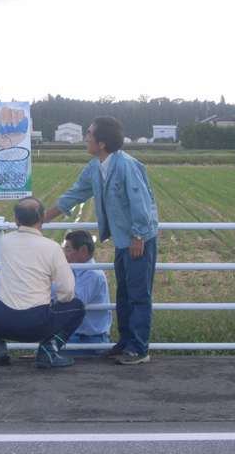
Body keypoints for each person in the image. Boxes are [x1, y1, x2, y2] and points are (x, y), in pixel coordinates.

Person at [45, 116, 158, 365]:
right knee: (125, 294)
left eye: (89, 134)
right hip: (122, 240)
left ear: (102, 143)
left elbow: (143, 203)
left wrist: (138, 236)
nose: (86, 138)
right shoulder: (96, 167)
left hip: (138, 240)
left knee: (139, 295)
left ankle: (140, 348)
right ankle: (126, 342)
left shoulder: (127, 166)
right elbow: (75, 194)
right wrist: (44, 218)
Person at [0, 197, 85, 368]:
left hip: (2, 321)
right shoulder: (52, 248)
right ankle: (48, 350)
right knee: (77, 307)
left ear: (16, 219)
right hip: (37, 325)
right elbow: (67, 290)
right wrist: (59, 301)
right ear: (43, 218)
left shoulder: (5, 241)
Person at [50, 230, 111, 355]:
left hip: (90, 340)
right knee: (43, 352)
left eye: (68, 250)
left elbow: (73, 303)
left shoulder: (92, 274)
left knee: (46, 354)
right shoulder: (74, 272)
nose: (65, 254)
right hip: (75, 337)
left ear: (83, 249)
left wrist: (47, 282)